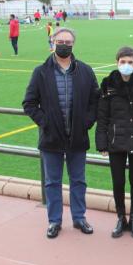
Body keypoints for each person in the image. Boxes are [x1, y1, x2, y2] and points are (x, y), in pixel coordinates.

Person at [22, 27, 99, 239]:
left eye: (68, 41)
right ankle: (54, 221)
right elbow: (29, 103)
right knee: (52, 182)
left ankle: (79, 217)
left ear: (73, 44)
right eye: (60, 41)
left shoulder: (85, 70)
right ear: (53, 42)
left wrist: (87, 122)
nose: (64, 44)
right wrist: (45, 123)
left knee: (78, 181)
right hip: (51, 138)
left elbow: (95, 100)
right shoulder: (41, 72)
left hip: (77, 137)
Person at [96, 47, 133, 239]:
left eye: (130, 62)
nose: (126, 65)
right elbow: (102, 115)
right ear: (117, 62)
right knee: (118, 181)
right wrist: (102, 142)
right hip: (116, 141)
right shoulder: (107, 84)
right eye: (123, 62)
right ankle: (121, 217)